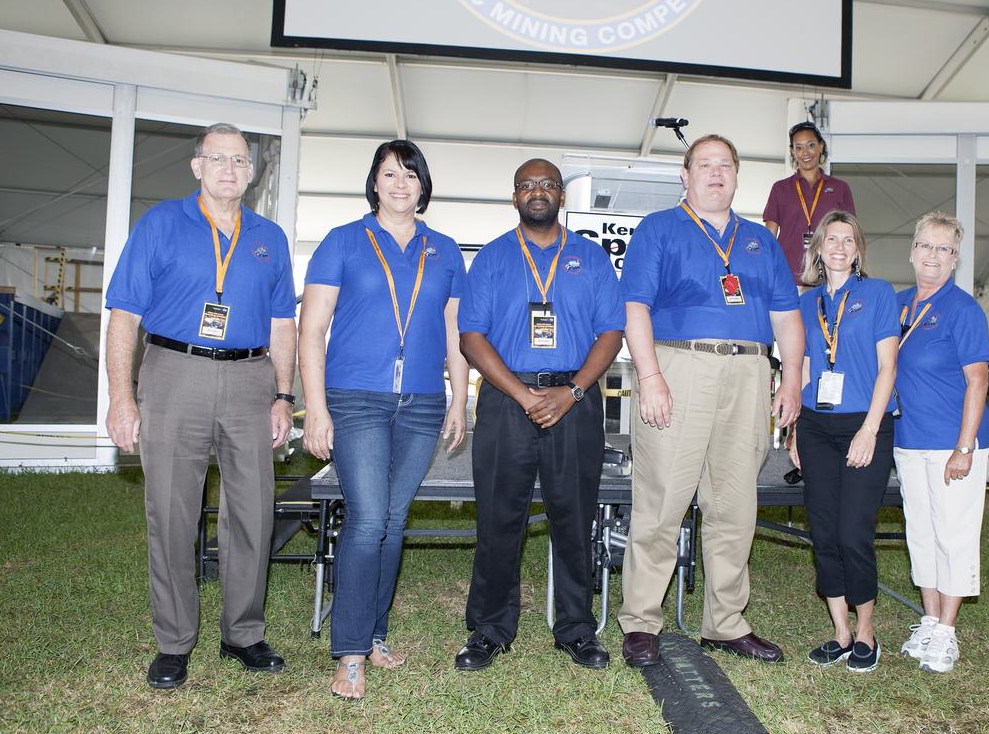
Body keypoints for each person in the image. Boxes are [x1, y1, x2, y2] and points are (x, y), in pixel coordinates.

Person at [105, 122, 296, 690]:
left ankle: (243, 633)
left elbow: (284, 323)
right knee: (171, 511)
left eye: (240, 160)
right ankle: (174, 641)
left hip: (250, 379)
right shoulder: (162, 223)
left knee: (254, 511)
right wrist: (121, 396)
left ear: (252, 171)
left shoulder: (269, 237)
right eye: (218, 159)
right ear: (197, 166)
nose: (230, 170)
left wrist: (284, 396)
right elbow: (123, 316)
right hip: (173, 373)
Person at [617, 134, 804, 668]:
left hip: (749, 370)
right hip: (679, 365)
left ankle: (724, 623)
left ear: (738, 176)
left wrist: (790, 378)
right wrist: (649, 377)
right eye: (705, 165)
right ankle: (640, 621)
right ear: (686, 174)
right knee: (662, 500)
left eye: (726, 165)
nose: (716, 174)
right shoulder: (659, 228)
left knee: (734, 505)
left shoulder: (759, 241)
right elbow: (635, 308)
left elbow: (787, 316)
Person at [299, 140, 469, 699]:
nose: (400, 183)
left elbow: (454, 333)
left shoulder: (443, 250)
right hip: (356, 400)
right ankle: (349, 651)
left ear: (424, 186)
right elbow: (311, 332)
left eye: (410, 174)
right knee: (369, 520)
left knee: (394, 522)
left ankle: (374, 632)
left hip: (421, 404)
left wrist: (460, 398)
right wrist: (316, 408)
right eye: (389, 173)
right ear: (373, 182)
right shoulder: (343, 242)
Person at [455, 158, 623, 671]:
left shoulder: (591, 259)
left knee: (574, 516)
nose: (537, 192)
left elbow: (611, 333)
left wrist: (570, 392)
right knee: (499, 517)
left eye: (546, 184)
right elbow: (470, 338)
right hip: (508, 401)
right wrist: (525, 396)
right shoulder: (491, 259)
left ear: (561, 196)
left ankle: (576, 628)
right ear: (514, 197)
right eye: (526, 185)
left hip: (575, 399)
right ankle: (489, 628)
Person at [788, 210, 898, 673]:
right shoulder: (806, 302)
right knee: (825, 532)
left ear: (858, 250)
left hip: (863, 424)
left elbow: (888, 369)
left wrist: (869, 430)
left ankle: (867, 632)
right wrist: (794, 430)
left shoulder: (878, 294)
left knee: (854, 532)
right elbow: (808, 367)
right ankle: (840, 632)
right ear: (818, 248)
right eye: (830, 239)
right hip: (815, 426)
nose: (838, 247)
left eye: (847, 240)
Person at [892, 211, 989, 674]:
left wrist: (964, 446)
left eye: (944, 249)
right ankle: (929, 620)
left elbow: (977, 381)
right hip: (909, 440)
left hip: (954, 443)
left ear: (955, 259)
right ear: (912, 251)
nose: (933, 256)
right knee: (922, 535)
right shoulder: (897, 304)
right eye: (926, 246)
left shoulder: (964, 309)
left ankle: (948, 632)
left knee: (954, 534)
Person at [763, 121, 856, 289]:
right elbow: (769, 237)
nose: (805, 152)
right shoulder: (780, 188)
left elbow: (851, 234)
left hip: (829, 280)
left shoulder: (840, 188)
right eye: (798, 147)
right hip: (788, 279)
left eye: (811, 145)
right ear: (793, 151)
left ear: (821, 146)